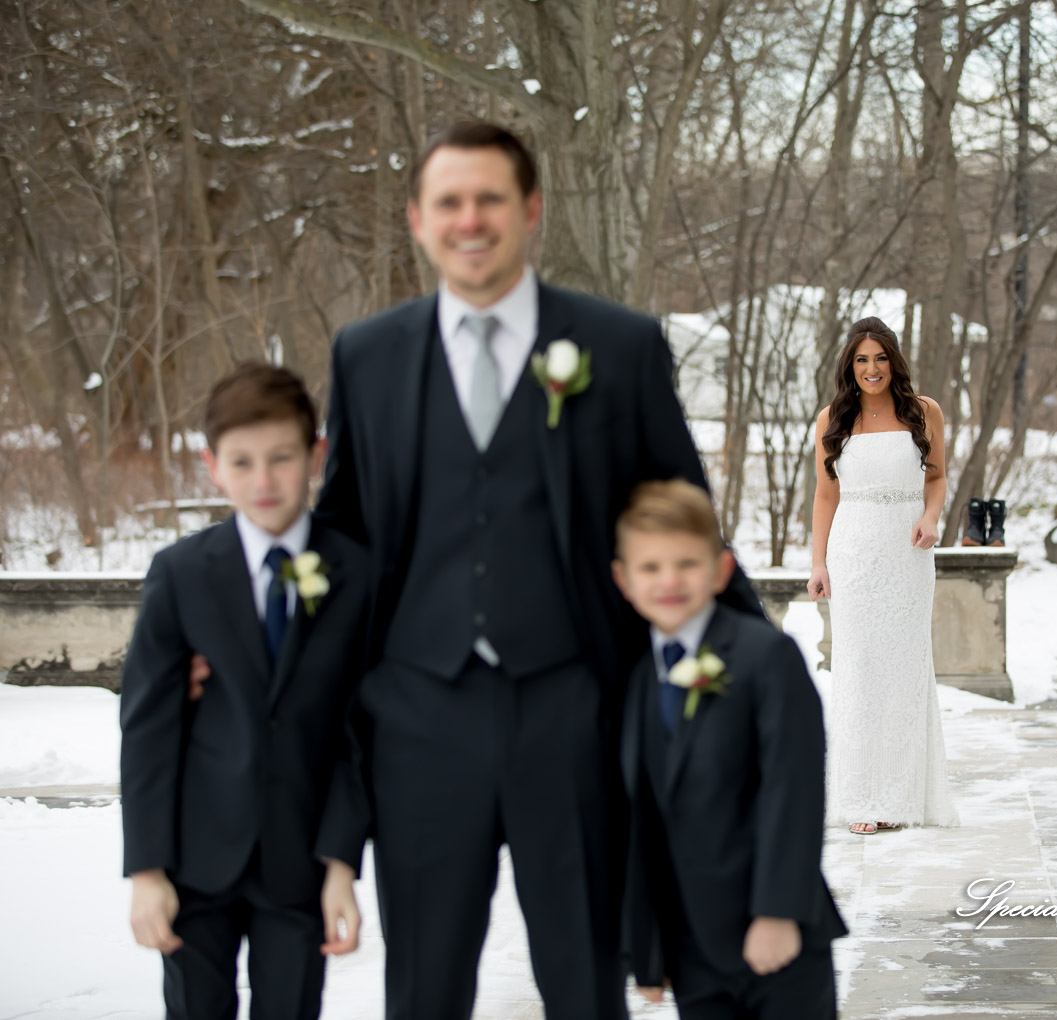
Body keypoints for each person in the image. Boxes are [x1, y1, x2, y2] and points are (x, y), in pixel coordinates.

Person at [314, 123, 760, 1019]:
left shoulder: (619, 346)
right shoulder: (367, 356)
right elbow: (343, 542)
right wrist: (251, 641)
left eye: (489, 200)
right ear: (416, 219)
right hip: (418, 722)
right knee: (422, 990)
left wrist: (750, 665)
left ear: (531, 211)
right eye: (449, 202)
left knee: (585, 983)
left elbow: (684, 513)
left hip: (576, 714)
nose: (469, 220)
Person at [119, 363, 371, 1019]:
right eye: (243, 461)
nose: (264, 480)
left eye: (282, 458)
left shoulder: (357, 576)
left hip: (300, 865)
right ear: (212, 466)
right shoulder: (179, 575)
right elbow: (148, 727)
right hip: (194, 861)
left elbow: (360, 731)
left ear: (315, 455)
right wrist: (147, 871)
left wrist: (341, 863)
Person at [613, 481, 847, 1018]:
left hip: (776, 938)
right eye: (649, 568)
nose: (668, 580)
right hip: (692, 946)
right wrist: (648, 947)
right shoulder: (636, 678)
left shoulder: (767, 657)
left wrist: (777, 912)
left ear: (720, 570)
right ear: (623, 580)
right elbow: (640, 819)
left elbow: (793, 790)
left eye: (687, 563)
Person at [808, 316, 958, 833]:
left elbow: (936, 480)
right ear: (850, 366)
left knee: (903, 668)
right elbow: (825, 496)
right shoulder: (833, 417)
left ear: (894, 361)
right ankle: (860, 799)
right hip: (854, 551)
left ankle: (900, 798)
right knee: (858, 669)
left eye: (880, 357)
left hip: (908, 552)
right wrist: (819, 563)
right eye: (861, 360)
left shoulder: (924, 412)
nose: (872, 369)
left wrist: (931, 517)